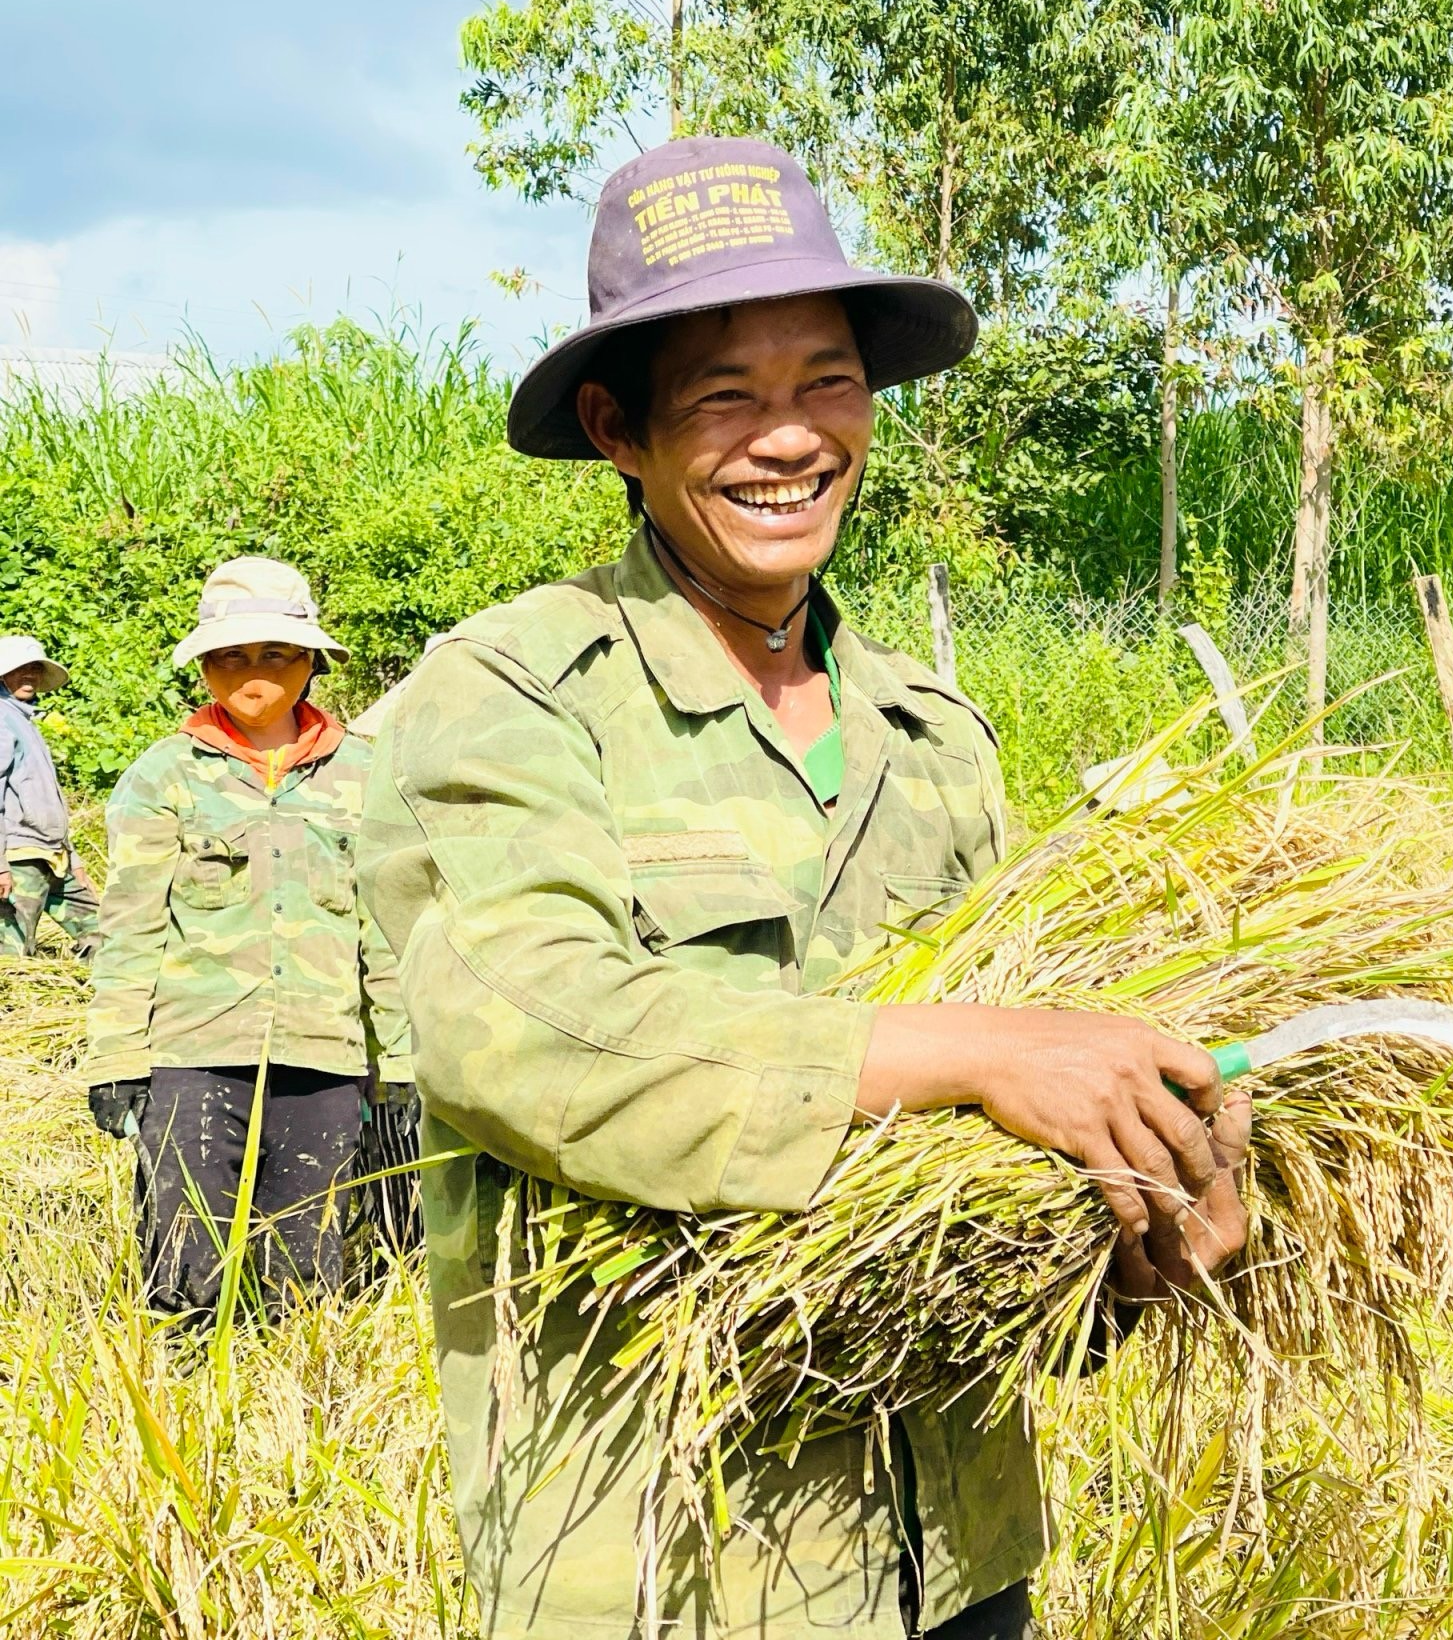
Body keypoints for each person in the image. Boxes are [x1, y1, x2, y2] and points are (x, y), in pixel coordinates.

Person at [359, 135, 1252, 1640]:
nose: (791, 438)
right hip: (662, 1559)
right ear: (617, 427)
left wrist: (1133, 1224)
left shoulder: (933, 738)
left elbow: (995, 1186)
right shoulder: (514, 694)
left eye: (827, 383)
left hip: (954, 1551)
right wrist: (968, 1048)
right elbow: (520, 1031)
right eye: (726, 395)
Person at [83, 558, 406, 1314]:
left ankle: (288, 1413)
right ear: (203, 667)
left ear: (311, 663)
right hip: (194, 1056)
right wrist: (117, 1058)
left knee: (307, 1268)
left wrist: (401, 1063)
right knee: (186, 1269)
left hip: (323, 1056)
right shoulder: (164, 776)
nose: (252, 672)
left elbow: (386, 931)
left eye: (275, 654)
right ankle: (185, 1413)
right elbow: (129, 926)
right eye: (230, 655)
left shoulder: (366, 775)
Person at [0, 636, 99, 958]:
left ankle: (108, 1002)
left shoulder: (24, 719)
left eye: (34, 669)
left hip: (53, 854)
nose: (29, 675)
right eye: (20, 669)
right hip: (20, 857)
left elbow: (46, 800)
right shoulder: (2, 719)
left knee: (103, 931)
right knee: (13, 953)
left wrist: (74, 858)